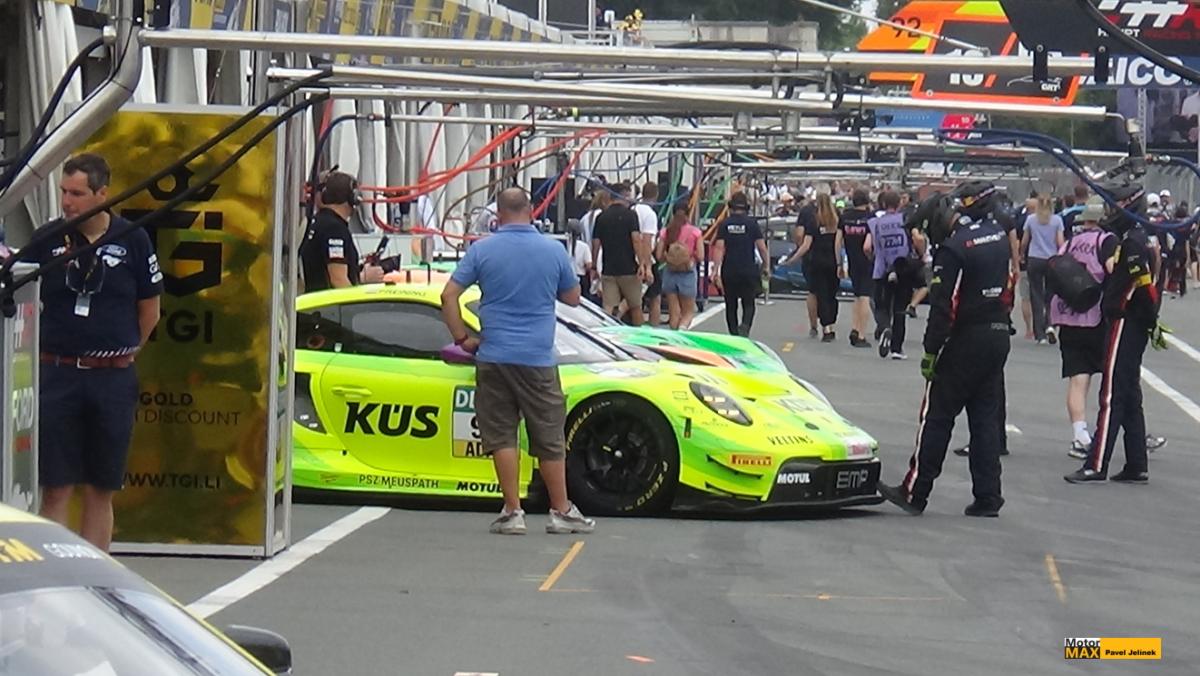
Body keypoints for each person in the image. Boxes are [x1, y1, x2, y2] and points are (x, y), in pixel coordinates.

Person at [16, 154, 163, 550]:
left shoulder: (133, 239)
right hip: (57, 373)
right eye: (64, 192)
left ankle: (95, 573)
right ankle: (55, 571)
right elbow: (16, 289)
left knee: (101, 486)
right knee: (56, 486)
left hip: (112, 376)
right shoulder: (47, 239)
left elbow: (150, 310)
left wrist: (125, 351)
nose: (67, 202)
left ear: (102, 194)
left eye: (77, 194)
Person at [441, 187, 595, 535]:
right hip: (537, 358)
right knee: (549, 435)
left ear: (498, 214)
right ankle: (561, 510)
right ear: (531, 210)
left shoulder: (482, 250)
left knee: (501, 435)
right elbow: (573, 298)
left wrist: (462, 339)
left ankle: (512, 511)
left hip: (494, 355)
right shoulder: (552, 250)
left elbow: (448, 296)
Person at [878, 180, 1013, 517]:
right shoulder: (997, 235)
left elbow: (943, 306)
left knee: (936, 416)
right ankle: (988, 495)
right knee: (985, 419)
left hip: (965, 338)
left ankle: (915, 491)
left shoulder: (954, 249)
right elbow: (1010, 283)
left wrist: (930, 351)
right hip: (997, 333)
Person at [1065, 184, 1162, 485]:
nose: (1109, 213)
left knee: (1110, 394)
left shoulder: (1132, 242)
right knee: (1129, 393)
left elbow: (1143, 287)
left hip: (1125, 321)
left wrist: (1146, 317)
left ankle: (1097, 463)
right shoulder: (1138, 237)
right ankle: (1136, 463)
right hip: (1132, 321)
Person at [1050, 197, 1117, 459]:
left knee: (1078, 379)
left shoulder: (1070, 242)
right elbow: (1112, 269)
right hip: (1095, 316)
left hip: (1067, 316)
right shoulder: (1106, 241)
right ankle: (1122, 429)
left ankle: (1079, 434)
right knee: (1114, 379)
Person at [866, 190, 925, 360]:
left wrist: (874, 259)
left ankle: (885, 327)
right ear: (899, 204)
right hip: (903, 268)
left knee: (881, 305)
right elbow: (918, 238)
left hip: (882, 269)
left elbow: (867, 247)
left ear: (883, 204)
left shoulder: (875, 223)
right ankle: (896, 349)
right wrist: (921, 255)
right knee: (900, 308)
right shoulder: (905, 219)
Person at [299, 171, 384, 291]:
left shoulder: (319, 222)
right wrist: (358, 299)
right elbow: (338, 280)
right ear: (353, 198)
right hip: (329, 302)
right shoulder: (334, 229)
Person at [591, 183, 649, 325]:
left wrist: (594, 266)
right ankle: (638, 334)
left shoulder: (602, 217)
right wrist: (642, 263)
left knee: (608, 307)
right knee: (635, 306)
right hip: (629, 269)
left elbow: (596, 243)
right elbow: (636, 240)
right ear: (624, 196)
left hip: (609, 269)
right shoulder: (631, 215)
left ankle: (607, 333)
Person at [712, 193, 769, 336]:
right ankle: (745, 326)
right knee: (748, 302)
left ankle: (733, 333)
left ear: (731, 207)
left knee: (731, 304)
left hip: (729, 269)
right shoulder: (752, 224)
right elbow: (762, 248)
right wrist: (766, 265)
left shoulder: (725, 224)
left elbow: (719, 248)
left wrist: (715, 270)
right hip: (748, 269)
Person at [1022, 195, 1066, 344]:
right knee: (1051, 294)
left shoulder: (1031, 219)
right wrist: (1062, 256)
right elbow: (1060, 241)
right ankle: (1050, 324)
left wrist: (1021, 254)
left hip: (1035, 258)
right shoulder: (1057, 220)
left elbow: (1025, 240)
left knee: (1036, 295)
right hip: (1051, 259)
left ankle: (1039, 334)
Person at [835, 188, 874, 347]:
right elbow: (868, 245)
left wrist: (839, 262)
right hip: (866, 261)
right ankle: (861, 334)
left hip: (852, 260)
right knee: (865, 296)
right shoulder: (870, 218)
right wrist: (871, 258)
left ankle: (854, 327)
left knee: (857, 295)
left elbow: (837, 241)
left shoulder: (845, 218)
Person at [656, 203, 705, 329]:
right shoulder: (695, 232)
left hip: (670, 273)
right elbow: (700, 256)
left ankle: (674, 334)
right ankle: (682, 330)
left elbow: (659, 255)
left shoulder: (666, 231)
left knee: (674, 313)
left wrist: (670, 258)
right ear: (688, 215)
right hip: (687, 273)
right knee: (688, 312)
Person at [807, 193, 841, 342]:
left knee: (822, 295)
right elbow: (840, 243)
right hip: (833, 261)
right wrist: (840, 263)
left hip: (817, 262)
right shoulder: (836, 221)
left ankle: (826, 327)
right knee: (832, 295)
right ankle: (831, 324)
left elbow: (807, 244)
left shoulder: (814, 221)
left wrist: (793, 257)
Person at [634, 182, 663, 326]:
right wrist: (647, 266)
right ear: (656, 196)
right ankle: (653, 326)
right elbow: (646, 240)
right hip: (646, 258)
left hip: (632, 255)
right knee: (654, 296)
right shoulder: (650, 214)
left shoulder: (633, 209)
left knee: (636, 295)